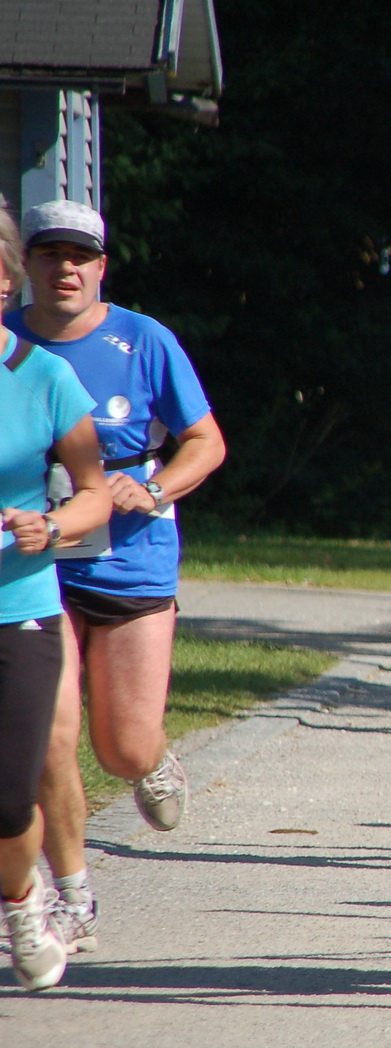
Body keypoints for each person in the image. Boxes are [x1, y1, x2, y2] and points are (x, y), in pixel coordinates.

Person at [7, 200, 227, 956]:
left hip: (131, 551)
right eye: (50, 255)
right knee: (49, 737)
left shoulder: (144, 340)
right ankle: (71, 896)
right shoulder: (11, 348)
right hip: (35, 563)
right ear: (26, 265)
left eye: (81, 256)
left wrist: (156, 487)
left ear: (102, 267)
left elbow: (206, 441)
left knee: (123, 748)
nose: (65, 269)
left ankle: (152, 757)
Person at [0, 202, 111, 991]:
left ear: (6, 279)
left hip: (20, 609)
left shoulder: (42, 377)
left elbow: (96, 492)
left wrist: (54, 523)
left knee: (10, 796)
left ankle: (21, 903)